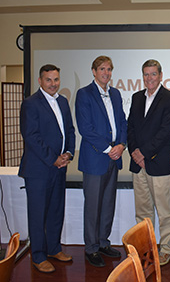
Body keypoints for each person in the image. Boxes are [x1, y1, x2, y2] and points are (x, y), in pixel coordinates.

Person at [19, 64, 75, 273]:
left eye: (56, 79)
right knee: (38, 214)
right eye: (49, 80)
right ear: (40, 81)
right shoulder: (30, 104)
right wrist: (54, 159)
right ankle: (39, 256)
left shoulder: (62, 101)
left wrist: (68, 153)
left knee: (55, 211)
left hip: (59, 168)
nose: (53, 84)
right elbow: (31, 136)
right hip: (39, 170)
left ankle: (54, 249)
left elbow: (69, 130)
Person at [75, 56, 127, 267]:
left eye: (109, 69)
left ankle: (104, 242)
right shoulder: (84, 94)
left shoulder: (115, 93)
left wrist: (121, 145)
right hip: (96, 158)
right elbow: (85, 128)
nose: (106, 73)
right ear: (94, 71)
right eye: (102, 69)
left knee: (107, 204)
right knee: (93, 206)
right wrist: (109, 149)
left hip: (114, 158)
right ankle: (91, 247)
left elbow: (122, 122)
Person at [127, 59, 170, 266]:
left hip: (158, 164)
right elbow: (130, 127)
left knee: (164, 211)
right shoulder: (136, 97)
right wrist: (134, 152)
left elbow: (166, 131)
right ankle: (146, 247)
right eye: (146, 74)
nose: (149, 78)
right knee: (143, 212)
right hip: (138, 164)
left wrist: (145, 154)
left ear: (160, 75)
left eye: (153, 74)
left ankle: (166, 249)